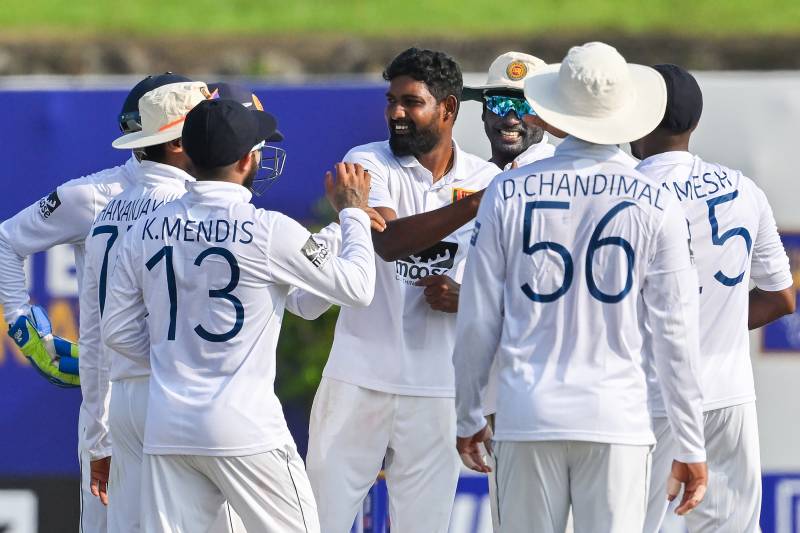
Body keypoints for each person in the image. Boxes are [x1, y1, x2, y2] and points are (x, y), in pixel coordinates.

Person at [453, 42, 708, 532]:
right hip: (617, 418)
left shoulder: (507, 191)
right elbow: (675, 332)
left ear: (550, 116)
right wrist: (691, 442)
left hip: (526, 414)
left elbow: (478, 318)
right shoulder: (657, 199)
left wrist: (467, 414)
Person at [101, 97, 376, 532]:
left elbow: (117, 333)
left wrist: (179, 361)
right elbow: (357, 288)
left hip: (169, 427)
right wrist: (355, 216)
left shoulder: (144, 229)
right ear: (248, 160)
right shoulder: (269, 229)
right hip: (245, 427)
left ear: (188, 154)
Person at [304, 47, 499, 532]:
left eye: (411, 102)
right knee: (318, 523)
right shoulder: (368, 161)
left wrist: (465, 296)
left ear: (448, 109)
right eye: (391, 100)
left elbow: (497, 284)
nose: (396, 113)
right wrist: (474, 206)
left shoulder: (485, 178)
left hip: (437, 390)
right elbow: (390, 242)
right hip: (357, 378)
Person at [0, 72, 190, 533]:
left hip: (184, 408)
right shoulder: (93, 194)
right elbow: (6, 240)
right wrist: (25, 330)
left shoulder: (207, 194)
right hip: (112, 414)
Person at [631, 64, 794, 533]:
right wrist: (710, 324)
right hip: (729, 399)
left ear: (637, 120)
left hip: (651, 397)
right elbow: (782, 298)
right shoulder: (745, 189)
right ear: (694, 123)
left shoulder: (623, 191)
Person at [81, 80, 212, 531]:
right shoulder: (186, 207)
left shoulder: (109, 211)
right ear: (178, 143)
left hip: (125, 404)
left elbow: (97, 334)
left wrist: (97, 437)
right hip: (181, 397)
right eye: (205, 125)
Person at [463, 51, 555, 170]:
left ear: (545, 116)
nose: (511, 120)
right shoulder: (470, 178)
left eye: (525, 107)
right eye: (499, 104)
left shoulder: (564, 176)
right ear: (484, 110)